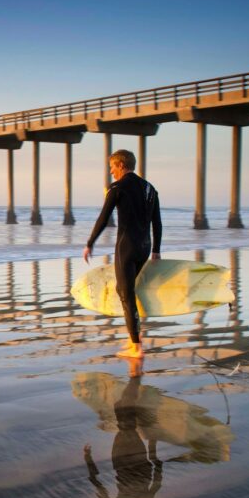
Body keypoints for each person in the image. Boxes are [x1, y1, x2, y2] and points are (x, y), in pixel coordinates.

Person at [83, 150, 162, 359]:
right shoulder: (150, 189)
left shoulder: (117, 187)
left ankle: (136, 347)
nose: (110, 172)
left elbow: (103, 218)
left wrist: (90, 243)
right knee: (124, 290)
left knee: (126, 294)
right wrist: (156, 250)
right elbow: (157, 223)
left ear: (120, 165)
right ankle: (133, 338)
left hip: (126, 247)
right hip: (145, 247)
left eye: (112, 167)